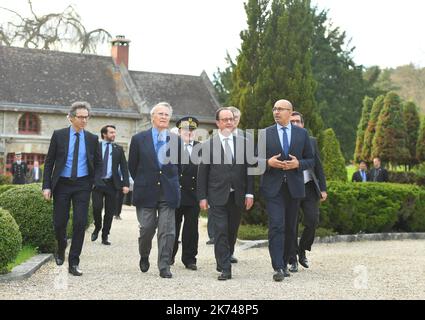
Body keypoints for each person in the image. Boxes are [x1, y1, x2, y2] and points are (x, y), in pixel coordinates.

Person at [42, 101, 102, 276]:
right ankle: (61, 248)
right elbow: (49, 162)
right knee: (60, 222)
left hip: (83, 185)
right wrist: (47, 186)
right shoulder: (59, 135)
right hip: (62, 184)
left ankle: (74, 262)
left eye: (86, 117)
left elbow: (98, 163)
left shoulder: (92, 139)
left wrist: (95, 182)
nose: (84, 120)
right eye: (80, 117)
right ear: (71, 118)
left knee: (80, 222)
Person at [259, 99, 314, 282]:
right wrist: (268, 162)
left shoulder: (302, 134)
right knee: (276, 225)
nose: (276, 112)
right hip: (273, 188)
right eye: (274, 108)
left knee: (290, 227)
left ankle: (285, 261)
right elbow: (253, 160)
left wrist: (298, 164)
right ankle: (278, 267)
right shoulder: (265, 133)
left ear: (290, 113)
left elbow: (311, 160)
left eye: (280, 109)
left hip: (294, 188)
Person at [198, 107, 254, 281]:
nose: (229, 122)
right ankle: (225, 267)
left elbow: (249, 170)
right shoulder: (208, 145)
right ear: (218, 123)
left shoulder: (244, 143)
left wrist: (250, 193)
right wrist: (202, 197)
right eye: (225, 120)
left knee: (231, 231)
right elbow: (203, 173)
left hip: (237, 195)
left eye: (231, 119)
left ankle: (224, 257)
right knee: (220, 230)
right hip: (217, 195)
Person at [128, 102, 182, 279]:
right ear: (152, 117)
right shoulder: (138, 139)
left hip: (168, 191)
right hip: (146, 191)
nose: (164, 117)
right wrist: (144, 181)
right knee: (146, 228)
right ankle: (144, 254)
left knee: (167, 231)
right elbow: (132, 166)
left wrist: (170, 180)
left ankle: (164, 265)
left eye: (167, 114)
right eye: (160, 114)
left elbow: (179, 166)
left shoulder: (176, 140)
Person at [289, 112, 327, 272]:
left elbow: (318, 166)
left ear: (303, 125)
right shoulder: (285, 141)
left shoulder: (311, 141)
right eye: (292, 122)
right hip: (290, 188)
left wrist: (323, 188)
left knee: (312, 221)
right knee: (291, 225)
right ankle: (292, 259)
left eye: (298, 121)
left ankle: (302, 249)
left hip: (309, 187)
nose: (296, 124)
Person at [91, 125, 130, 245]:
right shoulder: (95, 147)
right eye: (111, 132)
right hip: (97, 183)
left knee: (109, 212)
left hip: (112, 184)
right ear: (104, 134)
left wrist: (126, 184)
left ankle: (105, 235)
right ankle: (97, 226)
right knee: (97, 208)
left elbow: (124, 167)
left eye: (114, 132)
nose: (114, 134)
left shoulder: (118, 149)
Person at [171, 116, 201, 271]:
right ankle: (169, 256)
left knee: (191, 229)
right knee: (172, 228)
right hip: (175, 194)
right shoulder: (171, 148)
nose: (189, 132)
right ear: (179, 131)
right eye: (185, 130)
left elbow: (205, 174)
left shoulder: (201, 148)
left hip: (194, 195)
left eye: (192, 130)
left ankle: (190, 259)